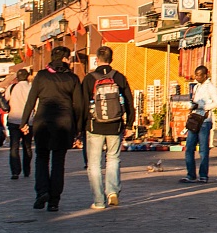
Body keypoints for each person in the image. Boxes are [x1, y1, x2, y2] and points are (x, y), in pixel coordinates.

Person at [22, 46, 85, 212]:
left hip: (43, 122)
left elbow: (31, 100)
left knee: (41, 158)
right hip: (64, 124)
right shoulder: (72, 78)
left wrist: (23, 122)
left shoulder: (41, 76)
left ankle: (42, 191)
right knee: (58, 162)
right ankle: (54, 200)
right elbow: (78, 105)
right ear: (65, 59)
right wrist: (78, 127)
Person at [81, 46, 135, 208]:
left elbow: (83, 105)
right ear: (111, 59)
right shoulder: (119, 77)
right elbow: (129, 102)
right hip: (115, 125)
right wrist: (130, 123)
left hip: (94, 126)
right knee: (113, 159)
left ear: (97, 59)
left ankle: (98, 200)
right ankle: (112, 192)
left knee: (94, 164)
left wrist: (81, 126)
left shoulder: (89, 79)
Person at [180, 65, 217, 184]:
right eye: (195, 74)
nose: (196, 77)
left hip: (204, 121)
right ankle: (191, 175)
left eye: (199, 75)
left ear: (205, 75)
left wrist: (202, 106)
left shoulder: (210, 87)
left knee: (203, 150)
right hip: (195, 119)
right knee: (189, 148)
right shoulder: (196, 87)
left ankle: (203, 175)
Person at [6, 69, 33, 179]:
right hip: (29, 121)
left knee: (14, 146)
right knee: (27, 146)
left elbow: (6, 100)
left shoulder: (12, 88)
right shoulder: (31, 88)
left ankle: (15, 171)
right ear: (28, 77)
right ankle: (27, 170)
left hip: (14, 120)